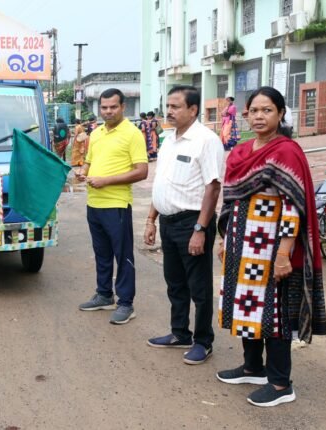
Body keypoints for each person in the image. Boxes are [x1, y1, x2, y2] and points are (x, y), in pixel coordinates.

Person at [215, 86, 326, 407]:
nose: (259, 116)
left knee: (274, 314)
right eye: (254, 110)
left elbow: (293, 207)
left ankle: (280, 384)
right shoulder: (240, 151)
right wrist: (225, 239)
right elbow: (231, 202)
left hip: (271, 248)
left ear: (280, 114)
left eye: (267, 110)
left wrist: (283, 254)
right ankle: (253, 367)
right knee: (246, 305)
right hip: (241, 246)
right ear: (246, 114)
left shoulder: (286, 151)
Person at [143, 85, 225, 365]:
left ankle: (203, 341)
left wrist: (200, 230)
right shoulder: (168, 140)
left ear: (193, 110)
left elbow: (213, 187)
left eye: (175, 106)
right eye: (168, 106)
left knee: (199, 287)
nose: (169, 111)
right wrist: (151, 220)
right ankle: (180, 333)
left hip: (192, 223)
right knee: (175, 283)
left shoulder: (206, 140)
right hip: (168, 223)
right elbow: (161, 184)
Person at [75, 88, 148, 324]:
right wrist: (83, 171)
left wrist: (105, 181)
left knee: (122, 255)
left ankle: (126, 303)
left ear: (123, 107)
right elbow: (89, 161)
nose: (108, 111)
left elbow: (142, 171)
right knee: (102, 253)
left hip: (117, 204)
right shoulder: (96, 133)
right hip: (94, 203)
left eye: (113, 107)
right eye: (104, 107)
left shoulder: (132, 133)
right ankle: (104, 294)